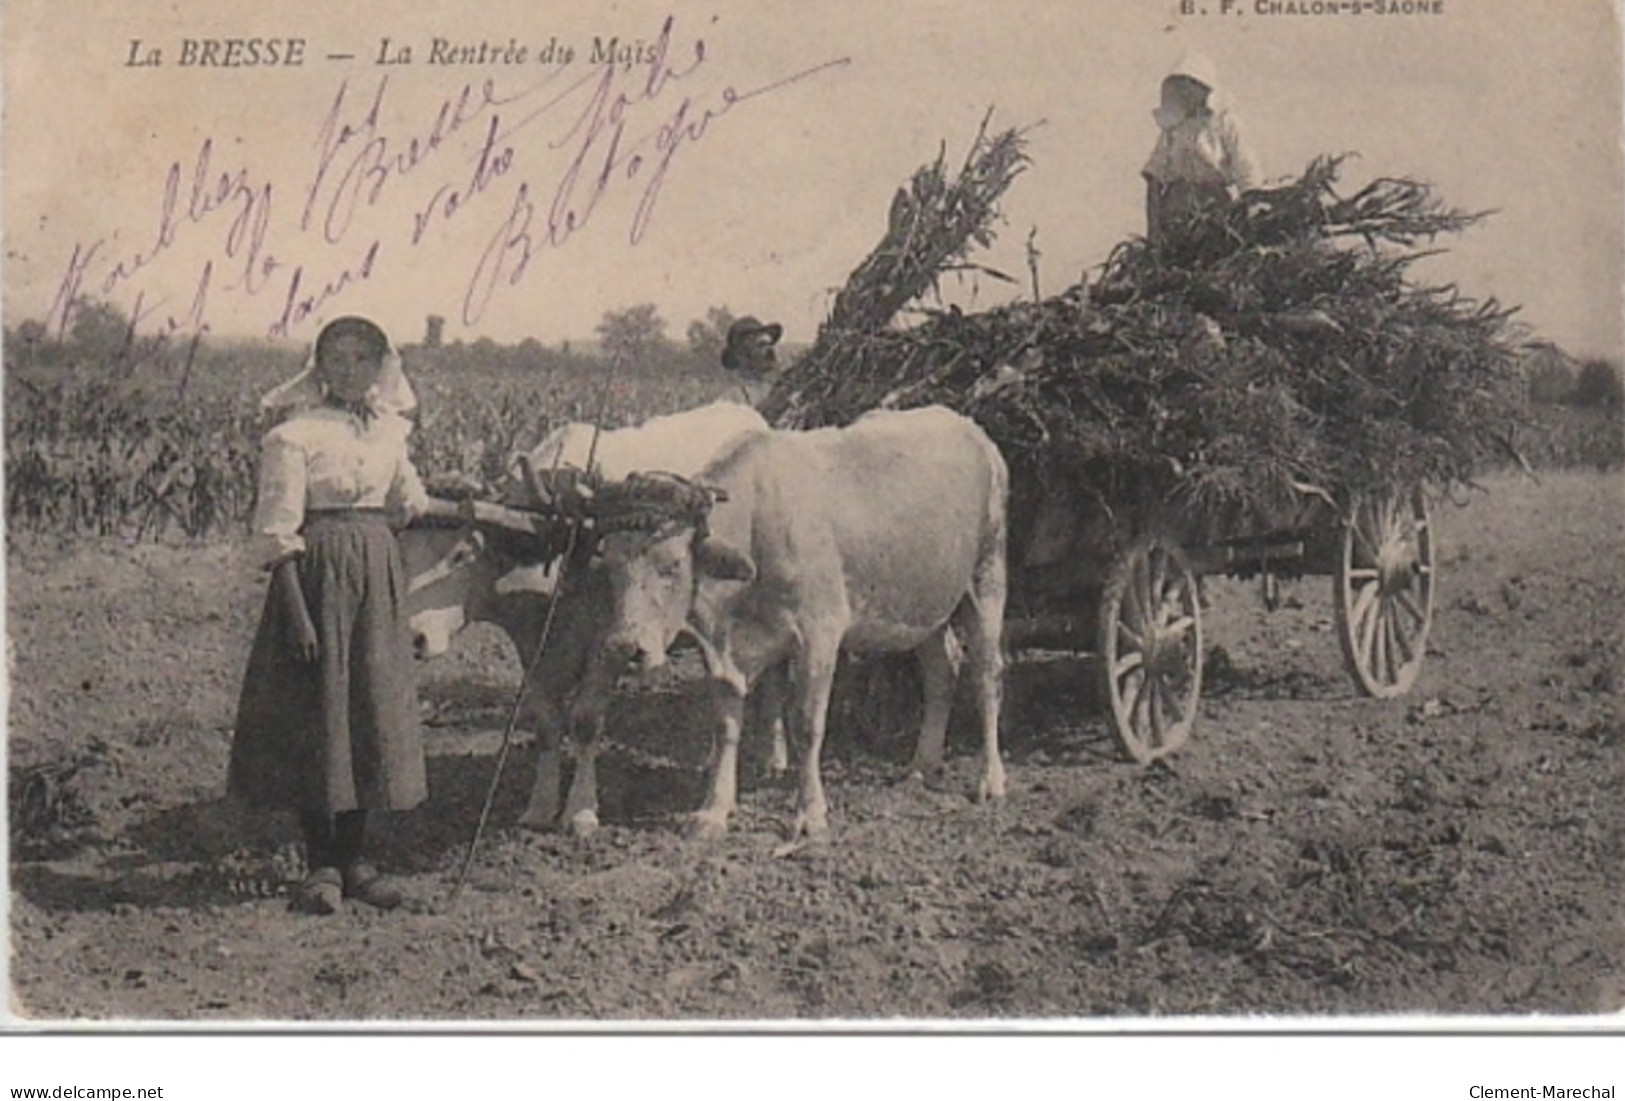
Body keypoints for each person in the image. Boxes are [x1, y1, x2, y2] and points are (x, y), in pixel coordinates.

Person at [229, 315, 459, 915]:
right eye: (337, 357)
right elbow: (277, 531)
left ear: (382, 366)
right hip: (318, 576)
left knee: (368, 712)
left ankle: (357, 859)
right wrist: (298, 616)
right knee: (319, 716)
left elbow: (409, 503)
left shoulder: (390, 432)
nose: (349, 369)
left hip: (377, 574)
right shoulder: (295, 435)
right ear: (319, 365)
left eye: (362, 359)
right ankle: (320, 864)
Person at [1142, 54, 1258, 249]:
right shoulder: (1173, 127)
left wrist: (1252, 212)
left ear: (1204, 88)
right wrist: (1154, 230)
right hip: (1176, 212)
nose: (1185, 92)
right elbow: (1154, 176)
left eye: (1190, 85)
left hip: (1214, 211)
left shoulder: (1225, 123)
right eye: (1180, 87)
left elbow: (1246, 170)